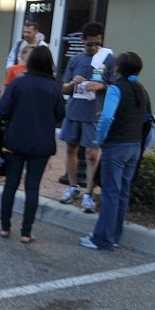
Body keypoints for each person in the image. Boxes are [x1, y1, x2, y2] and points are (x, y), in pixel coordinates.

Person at [79, 52, 153, 251]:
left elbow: (107, 118)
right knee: (122, 193)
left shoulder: (115, 89)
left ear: (118, 68)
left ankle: (101, 238)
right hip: (134, 146)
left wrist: (101, 138)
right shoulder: (141, 89)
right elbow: (148, 121)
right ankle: (114, 236)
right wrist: (142, 146)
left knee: (110, 193)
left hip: (116, 146)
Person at [0, 46, 65, 243]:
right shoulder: (54, 87)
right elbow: (60, 115)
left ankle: (5, 226)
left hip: (16, 140)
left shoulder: (18, 84)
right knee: (32, 187)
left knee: (11, 184)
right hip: (42, 143)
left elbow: (3, 110)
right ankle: (26, 232)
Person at [58, 21, 115, 213]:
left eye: (97, 43)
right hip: (74, 110)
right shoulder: (75, 60)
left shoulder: (107, 58)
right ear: (83, 40)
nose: (93, 47)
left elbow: (115, 86)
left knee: (92, 154)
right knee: (71, 149)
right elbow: (64, 87)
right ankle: (73, 187)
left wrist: (101, 86)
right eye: (90, 44)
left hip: (94, 113)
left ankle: (89, 194)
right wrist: (72, 83)